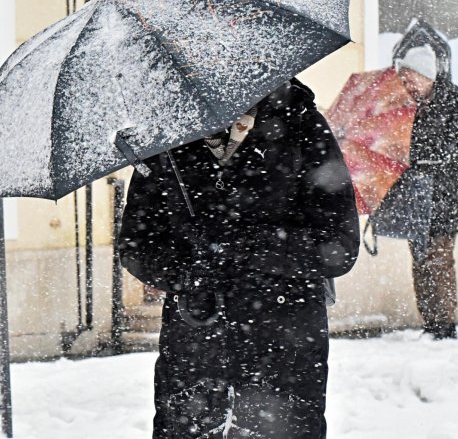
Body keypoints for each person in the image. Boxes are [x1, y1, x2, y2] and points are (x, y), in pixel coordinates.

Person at [119, 79, 360, 438]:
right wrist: (187, 271)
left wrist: (250, 244)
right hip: (196, 345)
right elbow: (137, 244)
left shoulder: (299, 122)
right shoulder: (167, 135)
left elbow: (339, 246)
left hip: (283, 344)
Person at [395, 43, 458, 340]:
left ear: (426, 76)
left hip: (445, 195)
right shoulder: (403, 104)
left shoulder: (451, 98)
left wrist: (422, 156)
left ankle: (445, 325)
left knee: (439, 259)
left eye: (410, 79)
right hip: (416, 194)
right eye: (404, 80)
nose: (407, 85)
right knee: (419, 259)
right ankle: (429, 323)